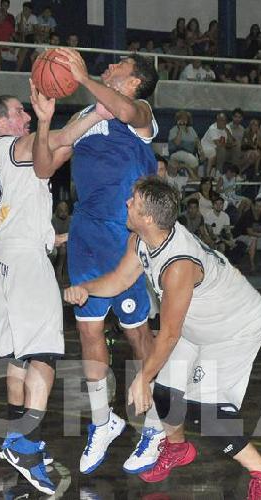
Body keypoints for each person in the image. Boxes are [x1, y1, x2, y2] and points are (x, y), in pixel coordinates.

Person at [63, 176, 261, 500]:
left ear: (147, 217)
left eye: (133, 200)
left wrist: (141, 377)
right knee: (165, 394)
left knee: (204, 409)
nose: (127, 202)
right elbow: (118, 280)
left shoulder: (178, 265)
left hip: (234, 329)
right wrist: (85, 289)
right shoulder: (141, 240)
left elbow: (169, 333)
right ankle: (177, 448)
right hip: (197, 324)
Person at [0, 85, 109, 495]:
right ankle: (23, 442)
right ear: (5, 122)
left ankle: (14, 437)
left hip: (3, 258)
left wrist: (55, 238)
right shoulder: (11, 145)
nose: (25, 114)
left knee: (19, 356)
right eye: (19, 111)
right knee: (46, 357)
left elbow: (52, 158)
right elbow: (53, 142)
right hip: (23, 262)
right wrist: (95, 115)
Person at [51, 47, 168, 475]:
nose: (109, 65)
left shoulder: (140, 113)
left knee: (138, 337)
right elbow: (54, 153)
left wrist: (82, 77)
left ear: (135, 80)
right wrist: (47, 119)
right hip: (86, 231)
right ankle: (103, 421)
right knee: (87, 331)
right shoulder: (88, 114)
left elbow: (119, 108)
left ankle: (153, 425)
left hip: (125, 234)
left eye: (118, 65)